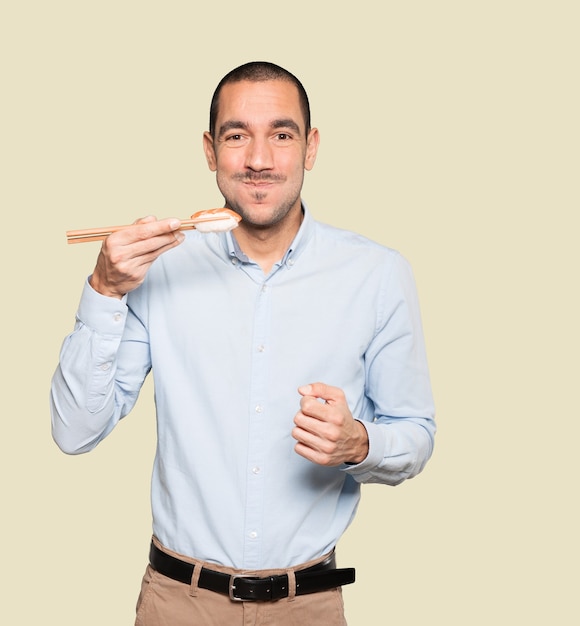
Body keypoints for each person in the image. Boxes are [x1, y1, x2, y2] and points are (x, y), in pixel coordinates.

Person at [50, 61, 436, 626]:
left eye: (282, 134)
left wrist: (358, 443)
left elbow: (416, 434)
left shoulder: (376, 275)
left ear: (311, 147)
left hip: (309, 604)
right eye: (237, 136)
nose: (259, 159)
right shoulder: (158, 269)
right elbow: (74, 431)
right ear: (210, 151)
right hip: (177, 602)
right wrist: (104, 291)